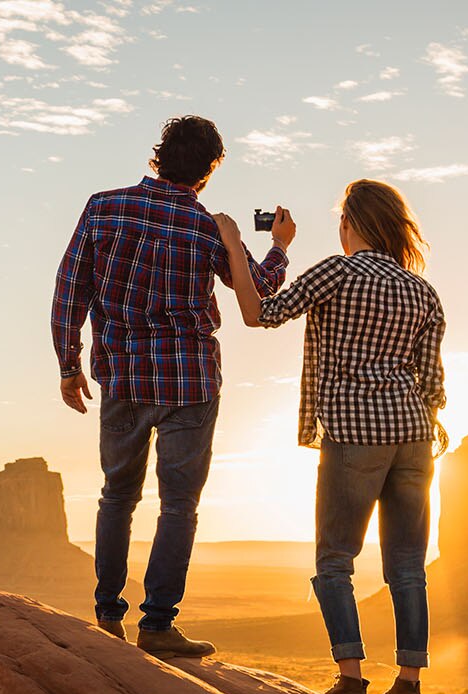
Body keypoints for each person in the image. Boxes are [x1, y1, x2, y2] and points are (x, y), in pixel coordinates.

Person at [51, 116, 294, 659]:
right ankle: (158, 625)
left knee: (117, 496)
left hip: (123, 377)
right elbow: (260, 288)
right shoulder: (207, 227)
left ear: (157, 157)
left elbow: (71, 287)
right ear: (209, 171)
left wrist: (68, 365)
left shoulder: (103, 206)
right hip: (190, 382)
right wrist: (279, 244)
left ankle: (108, 616)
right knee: (179, 506)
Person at [215, 179, 446, 694]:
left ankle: (351, 681)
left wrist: (237, 245)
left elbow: (259, 314)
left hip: (353, 432)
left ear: (351, 224)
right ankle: (408, 687)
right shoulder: (422, 290)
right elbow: (432, 379)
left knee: (335, 561)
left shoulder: (337, 272)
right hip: (414, 435)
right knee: (409, 566)